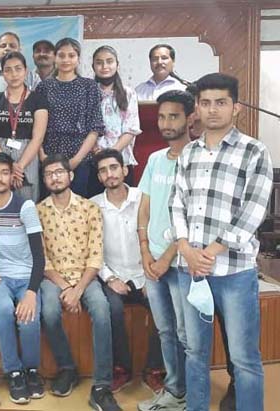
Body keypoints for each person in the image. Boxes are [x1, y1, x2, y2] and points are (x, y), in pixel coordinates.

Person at [170, 73, 272, 411]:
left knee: (244, 358)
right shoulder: (188, 155)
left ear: (236, 107)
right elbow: (176, 203)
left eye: (221, 103)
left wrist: (210, 251)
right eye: (206, 103)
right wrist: (185, 247)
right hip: (191, 271)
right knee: (195, 353)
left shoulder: (254, 152)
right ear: (196, 108)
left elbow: (253, 212)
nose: (213, 110)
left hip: (234, 272)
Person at [37, 154, 120, 411]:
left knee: (102, 310)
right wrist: (66, 288)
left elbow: (95, 256)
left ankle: (102, 386)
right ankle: (67, 368)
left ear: (70, 175)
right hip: (54, 278)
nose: (55, 177)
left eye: (59, 172)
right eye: (49, 174)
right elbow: (43, 260)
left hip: (86, 276)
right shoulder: (38, 211)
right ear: (44, 180)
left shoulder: (89, 208)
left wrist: (78, 289)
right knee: (49, 311)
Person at [135, 90, 193, 411]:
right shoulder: (156, 158)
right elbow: (144, 207)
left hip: (181, 262)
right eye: (162, 117)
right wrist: (145, 251)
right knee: (166, 331)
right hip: (153, 261)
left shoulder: (197, 158)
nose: (166, 123)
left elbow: (194, 217)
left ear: (190, 118)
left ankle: (189, 396)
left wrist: (167, 257)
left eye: (174, 116)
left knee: (186, 334)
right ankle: (174, 391)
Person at [90, 149, 164, 393]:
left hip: (146, 275)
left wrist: (149, 274)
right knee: (112, 308)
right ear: (99, 177)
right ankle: (121, 368)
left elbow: (157, 238)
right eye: (103, 170)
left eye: (113, 167)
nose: (109, 174)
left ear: (124, 169)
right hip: (113, 276)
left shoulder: (144, 199)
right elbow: (91, 251)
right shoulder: (93, 206)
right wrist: (110, 278)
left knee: (162, 307)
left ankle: (154, 369)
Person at [0, 152, 46, 404]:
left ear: (12, 176)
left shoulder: (25, 206)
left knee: (29, 318)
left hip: (27, 276)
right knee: (4, 310)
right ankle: (14, 372)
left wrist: (31, 292)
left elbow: (39, 256)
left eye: (4, 172)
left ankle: (31, 370)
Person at [35, 38, 104, 198]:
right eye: (61, 55)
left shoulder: (89, 86)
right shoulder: (44, 87)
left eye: (71, 55)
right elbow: (36, 126)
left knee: (77, 207)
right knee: (49, 206)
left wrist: (76, 160)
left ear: (78, 59)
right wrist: (42, 155)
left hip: (79, 156)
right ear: (54, 58)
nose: (66, 60)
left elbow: (95, 127)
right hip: (49, 155)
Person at [0, 51, 48, 202]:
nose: (14, 74)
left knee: (27, 202)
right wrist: (6, 165)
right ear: (2, 74)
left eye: (18, 69)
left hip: (27, 154)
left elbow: (38, 137)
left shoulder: (38, 100)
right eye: (8, 70)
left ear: (26, 71)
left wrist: (19, 166)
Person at [90, 45, 141, 198]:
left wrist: (111, 152)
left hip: (121, 160)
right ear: (93, 67)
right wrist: (96, 150)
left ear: (117, 65)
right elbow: (85, 127)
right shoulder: (88, 93)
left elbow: (131, 129)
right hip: (94, 160)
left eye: (109, 61)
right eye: (99, 62)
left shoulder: (128, 93)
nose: (104, 66)